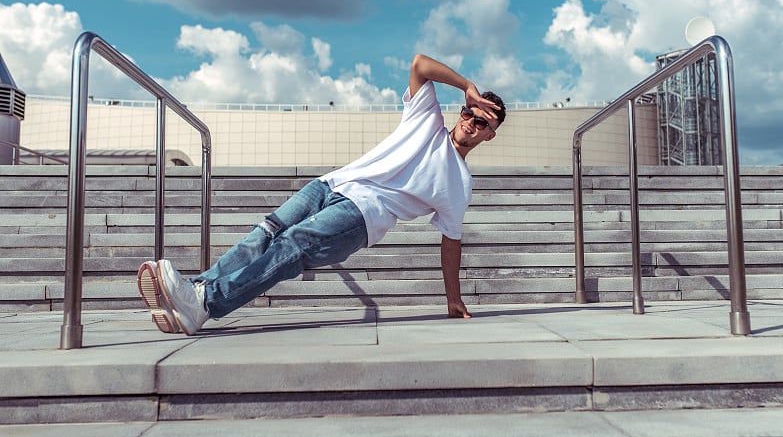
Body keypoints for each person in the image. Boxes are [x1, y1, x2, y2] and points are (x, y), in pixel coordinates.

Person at [137, 53, 506, 335]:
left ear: (490, 136)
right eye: (470, 113)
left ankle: (205, 302)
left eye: (482, 123)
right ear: (462, 111)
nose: (472, 123)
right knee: (263, 234)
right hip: (329, 185)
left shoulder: (459, 182)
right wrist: (466, 84)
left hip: (363, 214)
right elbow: (420, 63)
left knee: (293, 245)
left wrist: (453, 298)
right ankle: (195, 292)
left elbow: (450, 241)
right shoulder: (426, 116)